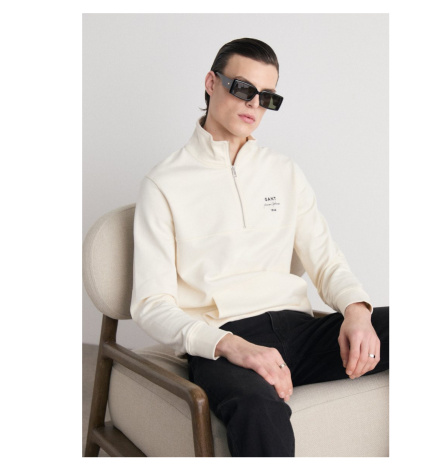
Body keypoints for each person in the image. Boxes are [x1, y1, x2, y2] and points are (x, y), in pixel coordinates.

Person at [130, 38, 389, 457]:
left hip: (300, 330)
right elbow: (150, 304)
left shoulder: (284, 171)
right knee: (256, 409)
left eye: (267, 96)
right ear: (211, 83)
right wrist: (230, 345)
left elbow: (326, 260)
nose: (254, 103)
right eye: (243, 88)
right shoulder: (164, 184)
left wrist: (358, 312)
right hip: (224, 341)